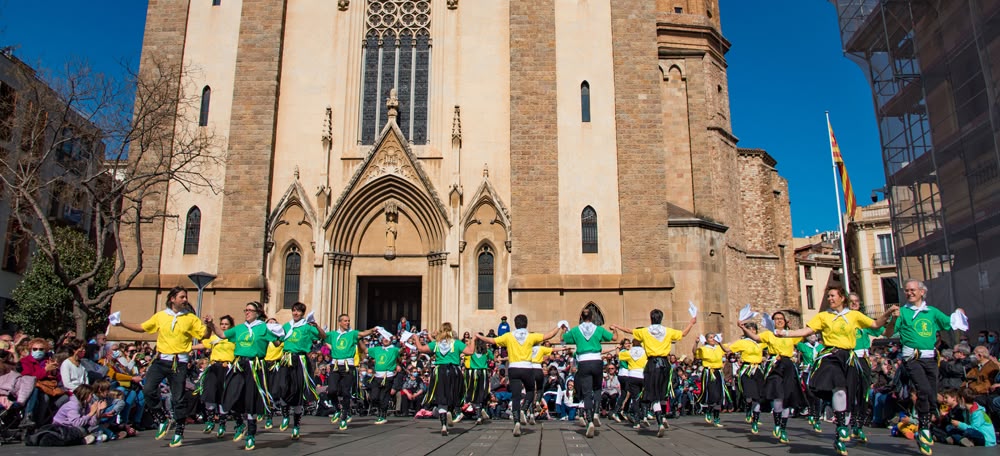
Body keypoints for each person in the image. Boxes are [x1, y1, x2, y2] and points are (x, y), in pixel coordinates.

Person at [775, 287, 894, 456]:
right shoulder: (824, 316)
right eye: (829, 296)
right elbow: (806, 331)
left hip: (849, 358)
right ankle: (841, 424)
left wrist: (888, 312)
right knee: (838, 387)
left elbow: (875, 324)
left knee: (848, 394)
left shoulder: (854, 315)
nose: (829, 298)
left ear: (841, 298)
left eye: (832, 296)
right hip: (831, 356)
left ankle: (840, 433)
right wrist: (785, 333)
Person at [112, 286, 210, 447]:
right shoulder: (161, 316)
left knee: (178, 397)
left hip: (179, 361)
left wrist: (210, 325)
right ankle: (161, 418)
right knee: (148, 389)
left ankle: (179, 430)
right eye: (182, 297)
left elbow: (204, 335)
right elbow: (143, 327)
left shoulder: (191, 318)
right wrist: (121, 324)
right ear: (172, 299)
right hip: (161, 359)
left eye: (186, 297)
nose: (185, 300)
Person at [884, 279, 955, 456]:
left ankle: (928, 422)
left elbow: (950, 322)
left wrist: (959, 314)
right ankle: (923, 428)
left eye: (913, 290)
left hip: (930, 357)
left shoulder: (931, 312)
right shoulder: (903, 313)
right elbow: (888, 332)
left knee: (932, 392)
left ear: (922, 292)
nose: (909, 293)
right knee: (922, 389)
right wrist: (892, 319)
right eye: (907, 291)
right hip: (912, 358)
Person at [209, 301, 284, 451]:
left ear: (258, 312)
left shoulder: (263, 327)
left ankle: (251, 433)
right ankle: (239, 423)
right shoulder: (240, 328)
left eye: (250, 310)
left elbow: (277, 342)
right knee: (230, 395)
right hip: (239, 364)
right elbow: (223, 334)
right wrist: (211, 324)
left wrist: (277, 336)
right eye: (246, 310)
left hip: (254, 365)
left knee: (250, 399)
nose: (247, 312)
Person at [610, 309, 696, 438]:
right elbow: (683, 334)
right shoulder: (667, 331)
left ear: (651, 318)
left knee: (652, 394)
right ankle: (663, 417)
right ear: (661, 318)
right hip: (665, 364)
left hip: (652, 364)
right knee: (663, 392)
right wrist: (691, 323)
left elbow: (629, 330)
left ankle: (660, 421)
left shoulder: (645, 331)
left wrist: (617, 326)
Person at [476, 314, 561, 436]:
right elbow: (549, 335)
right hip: (527, 367)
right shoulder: (531, 336)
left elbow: (492, 340)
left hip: (514, 368)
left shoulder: (509, 336)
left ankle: (516, 422)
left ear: (515, 324)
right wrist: (558, 326)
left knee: (515, 396)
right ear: (526, 324)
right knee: (531, 390)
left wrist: (479, 336)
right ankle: (524, 409)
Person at [410, 322, 475, 435]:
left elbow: (420, 348)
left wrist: (416, 338)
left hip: (440, 371)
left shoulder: (436, 344)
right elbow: (470, 351)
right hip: (454, 371)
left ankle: (444, 425)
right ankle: (454, 411)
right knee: (454, 393)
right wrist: (473, 339)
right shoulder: (456, 343)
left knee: (441, 396)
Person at [562, 307, 616, 438]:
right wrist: (615, 329)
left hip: (584, 362)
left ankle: (590, 421)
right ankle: (597, 412)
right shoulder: (598, 329)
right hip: (597, 361)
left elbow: (563, 339)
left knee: (586, 393)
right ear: (592, 317)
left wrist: (563, 330)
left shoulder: (575, 330)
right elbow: (613, 338)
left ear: (581, 317)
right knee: (597, 389)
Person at [275, 302, 325, 438]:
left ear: (303, 313)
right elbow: (278, 342)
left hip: (300, 360)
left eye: (298, 311)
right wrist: (273, 335)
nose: (295, 313)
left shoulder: (307, 327)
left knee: (298, 391)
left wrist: (316, 325)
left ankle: (296, 425)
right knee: (282, 386)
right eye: (294, 310)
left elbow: (322, 336)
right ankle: (285, 415)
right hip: (286, 358)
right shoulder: (287, 326)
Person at [324, 314, 376, 430]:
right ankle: (337, 409)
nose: (347, 323)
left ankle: (344, 416)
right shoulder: (333, 334)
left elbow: (362, 334)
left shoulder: (352, 334)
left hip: (348, 366)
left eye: (348, 321)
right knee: (331, 390)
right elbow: (323, 336)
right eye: (345, 321)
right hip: (336, 365)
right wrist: (316, 326)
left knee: (346, 392)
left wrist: (372, 330)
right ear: (339, 322)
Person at [848, 292, 883, 440]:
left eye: (857, 301)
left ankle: (859, 425)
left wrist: (890, 318)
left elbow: (879, 328)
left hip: (863, 358)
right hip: (849, 358)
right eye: (851, 302)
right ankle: (846, 423)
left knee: (864, 392)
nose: (854, 304)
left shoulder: (864, 320)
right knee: (850, 392)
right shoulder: (845, 319)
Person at [194, 314, 235, 439]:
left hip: (226, 367)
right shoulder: (214, 337)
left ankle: (222, 424)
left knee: (222, 396)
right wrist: (187, 348)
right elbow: (203, 345)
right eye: (222, 324)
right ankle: (210, 420)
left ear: (231, 326)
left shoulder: (233, 338)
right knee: (209, 393)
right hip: (213, 367)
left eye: (226, 324)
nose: (223, 326)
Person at [729, 322, 764, 434]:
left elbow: (775, 342)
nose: (752, 331)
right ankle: (748, 409)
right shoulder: (742, 343)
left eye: (754, 329)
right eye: (749, 329)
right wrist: (719, 343)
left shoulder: (760, 342)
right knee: (749, 394)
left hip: (758, 369)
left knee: (758, 397)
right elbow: (727, 348)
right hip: (747, 370)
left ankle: (755, 421)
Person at [693, 334, 729, 427]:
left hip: (718, 372)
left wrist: (720, 342)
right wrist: (696, 343)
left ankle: (716, 418)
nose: (712, 339)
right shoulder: (704, 348)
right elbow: (695, 353)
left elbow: (727, 351)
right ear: (707, 339)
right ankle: (708, 411)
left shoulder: (718, 348)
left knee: (720, 394)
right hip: (709, 372)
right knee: (712, 393)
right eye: (710, 338)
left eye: (714, 337)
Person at [368, 330, 402, 425]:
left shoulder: (394, 349)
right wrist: (359, 340)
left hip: (388, 376)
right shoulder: (377, 349)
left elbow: (400, 351)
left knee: (384, 396)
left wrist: (403, 346)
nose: (385, 340)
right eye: (383, 338)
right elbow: (365, 350)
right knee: (374, 396)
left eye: (387, 338)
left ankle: (382, 415)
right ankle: (380, 411)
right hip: (377, 376)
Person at [796, 331, 825, 432]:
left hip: (817, 372)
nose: (812, 337)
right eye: (809, 335)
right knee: (809, 393)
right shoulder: (803, 346)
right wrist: (803, 333)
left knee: (817, 394)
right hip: (807, 372)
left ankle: (816, 416)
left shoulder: (821, 347)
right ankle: (810, 410)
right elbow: (795, 341)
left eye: (813, 334)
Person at [617, 338, 647, 424]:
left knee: (635, 398)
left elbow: (619, 355)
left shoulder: (629, 352)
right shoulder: (645, 352)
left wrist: (618, 348)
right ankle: (645, 416)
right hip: (642, 375)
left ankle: (637, 421)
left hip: (632, 375)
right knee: (643, 397)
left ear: (633, 344)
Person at [465, 338, 494, 424]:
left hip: (473, 372)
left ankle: (478, 414)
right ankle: (482, 410)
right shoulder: (487, 352)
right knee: (483, 392)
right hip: (483, 373)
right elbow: (493, 358)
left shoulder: (472, 351)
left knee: (473, 393)